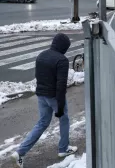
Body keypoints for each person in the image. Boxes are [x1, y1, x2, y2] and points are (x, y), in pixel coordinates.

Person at [11, 33, 77, 167]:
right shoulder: (62, 60)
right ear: (63, 47)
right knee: (64, 119)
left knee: (42, 123)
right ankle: (63, 149)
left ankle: (20, 152)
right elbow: (61, 84)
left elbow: (38, 76)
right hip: (54, 96)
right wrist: (60, 105)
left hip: (41, 95)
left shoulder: (41, 55)